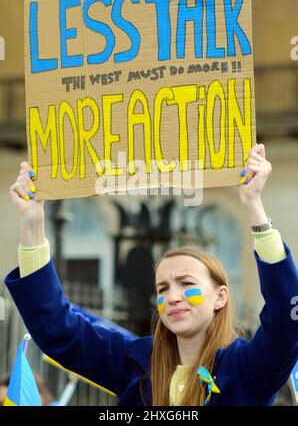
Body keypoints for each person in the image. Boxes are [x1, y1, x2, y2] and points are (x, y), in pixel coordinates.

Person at [4, 143, 298, 406]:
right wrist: (32, 222)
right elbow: (55, 327)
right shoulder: (134, 361)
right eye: (163, 288)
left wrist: (255, 209)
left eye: (186, 284)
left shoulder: (246, 367)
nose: (172, 297)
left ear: (220, 297)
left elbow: (287, 320)